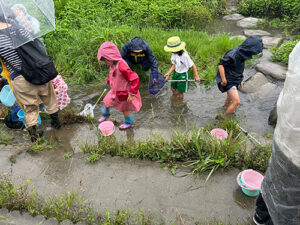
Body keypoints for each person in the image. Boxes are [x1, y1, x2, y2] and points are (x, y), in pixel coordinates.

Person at [253, 41, 300, 225]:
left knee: (273, 179)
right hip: (295, 149)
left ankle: (260, 215)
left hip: (285, 133)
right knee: (290, 205)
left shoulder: (297, 50)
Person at [0, 8, 60, 142]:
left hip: (19, 79)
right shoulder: (19, 29)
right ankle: (56, 124)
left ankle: (34, 139)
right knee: (50, 100)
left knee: (30, 109)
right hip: (38, 72)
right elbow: (35, 45)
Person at [97, 42, 142, 130]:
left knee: (124, 109)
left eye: (106, 60)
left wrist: (132, 93)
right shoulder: (112, 63)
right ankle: (105, 114)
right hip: (114, 90)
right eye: (103, 61)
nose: (105, 63)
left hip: (123, 92)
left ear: (111, 57)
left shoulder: (122, 66)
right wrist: (109, 80)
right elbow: (111, 74)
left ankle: (129, 122)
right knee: (106, 101)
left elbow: (134, 78)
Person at [216, 35, 263, 114]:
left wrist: (240, 80)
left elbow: (239, 68)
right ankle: (224, 119)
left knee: (230, 97)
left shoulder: (243, 53)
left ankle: (224, 108)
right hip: (228, 79)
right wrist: (223, 80)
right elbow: (221, 66)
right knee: (236, 101)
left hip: (235, 78)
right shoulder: (233, 54)